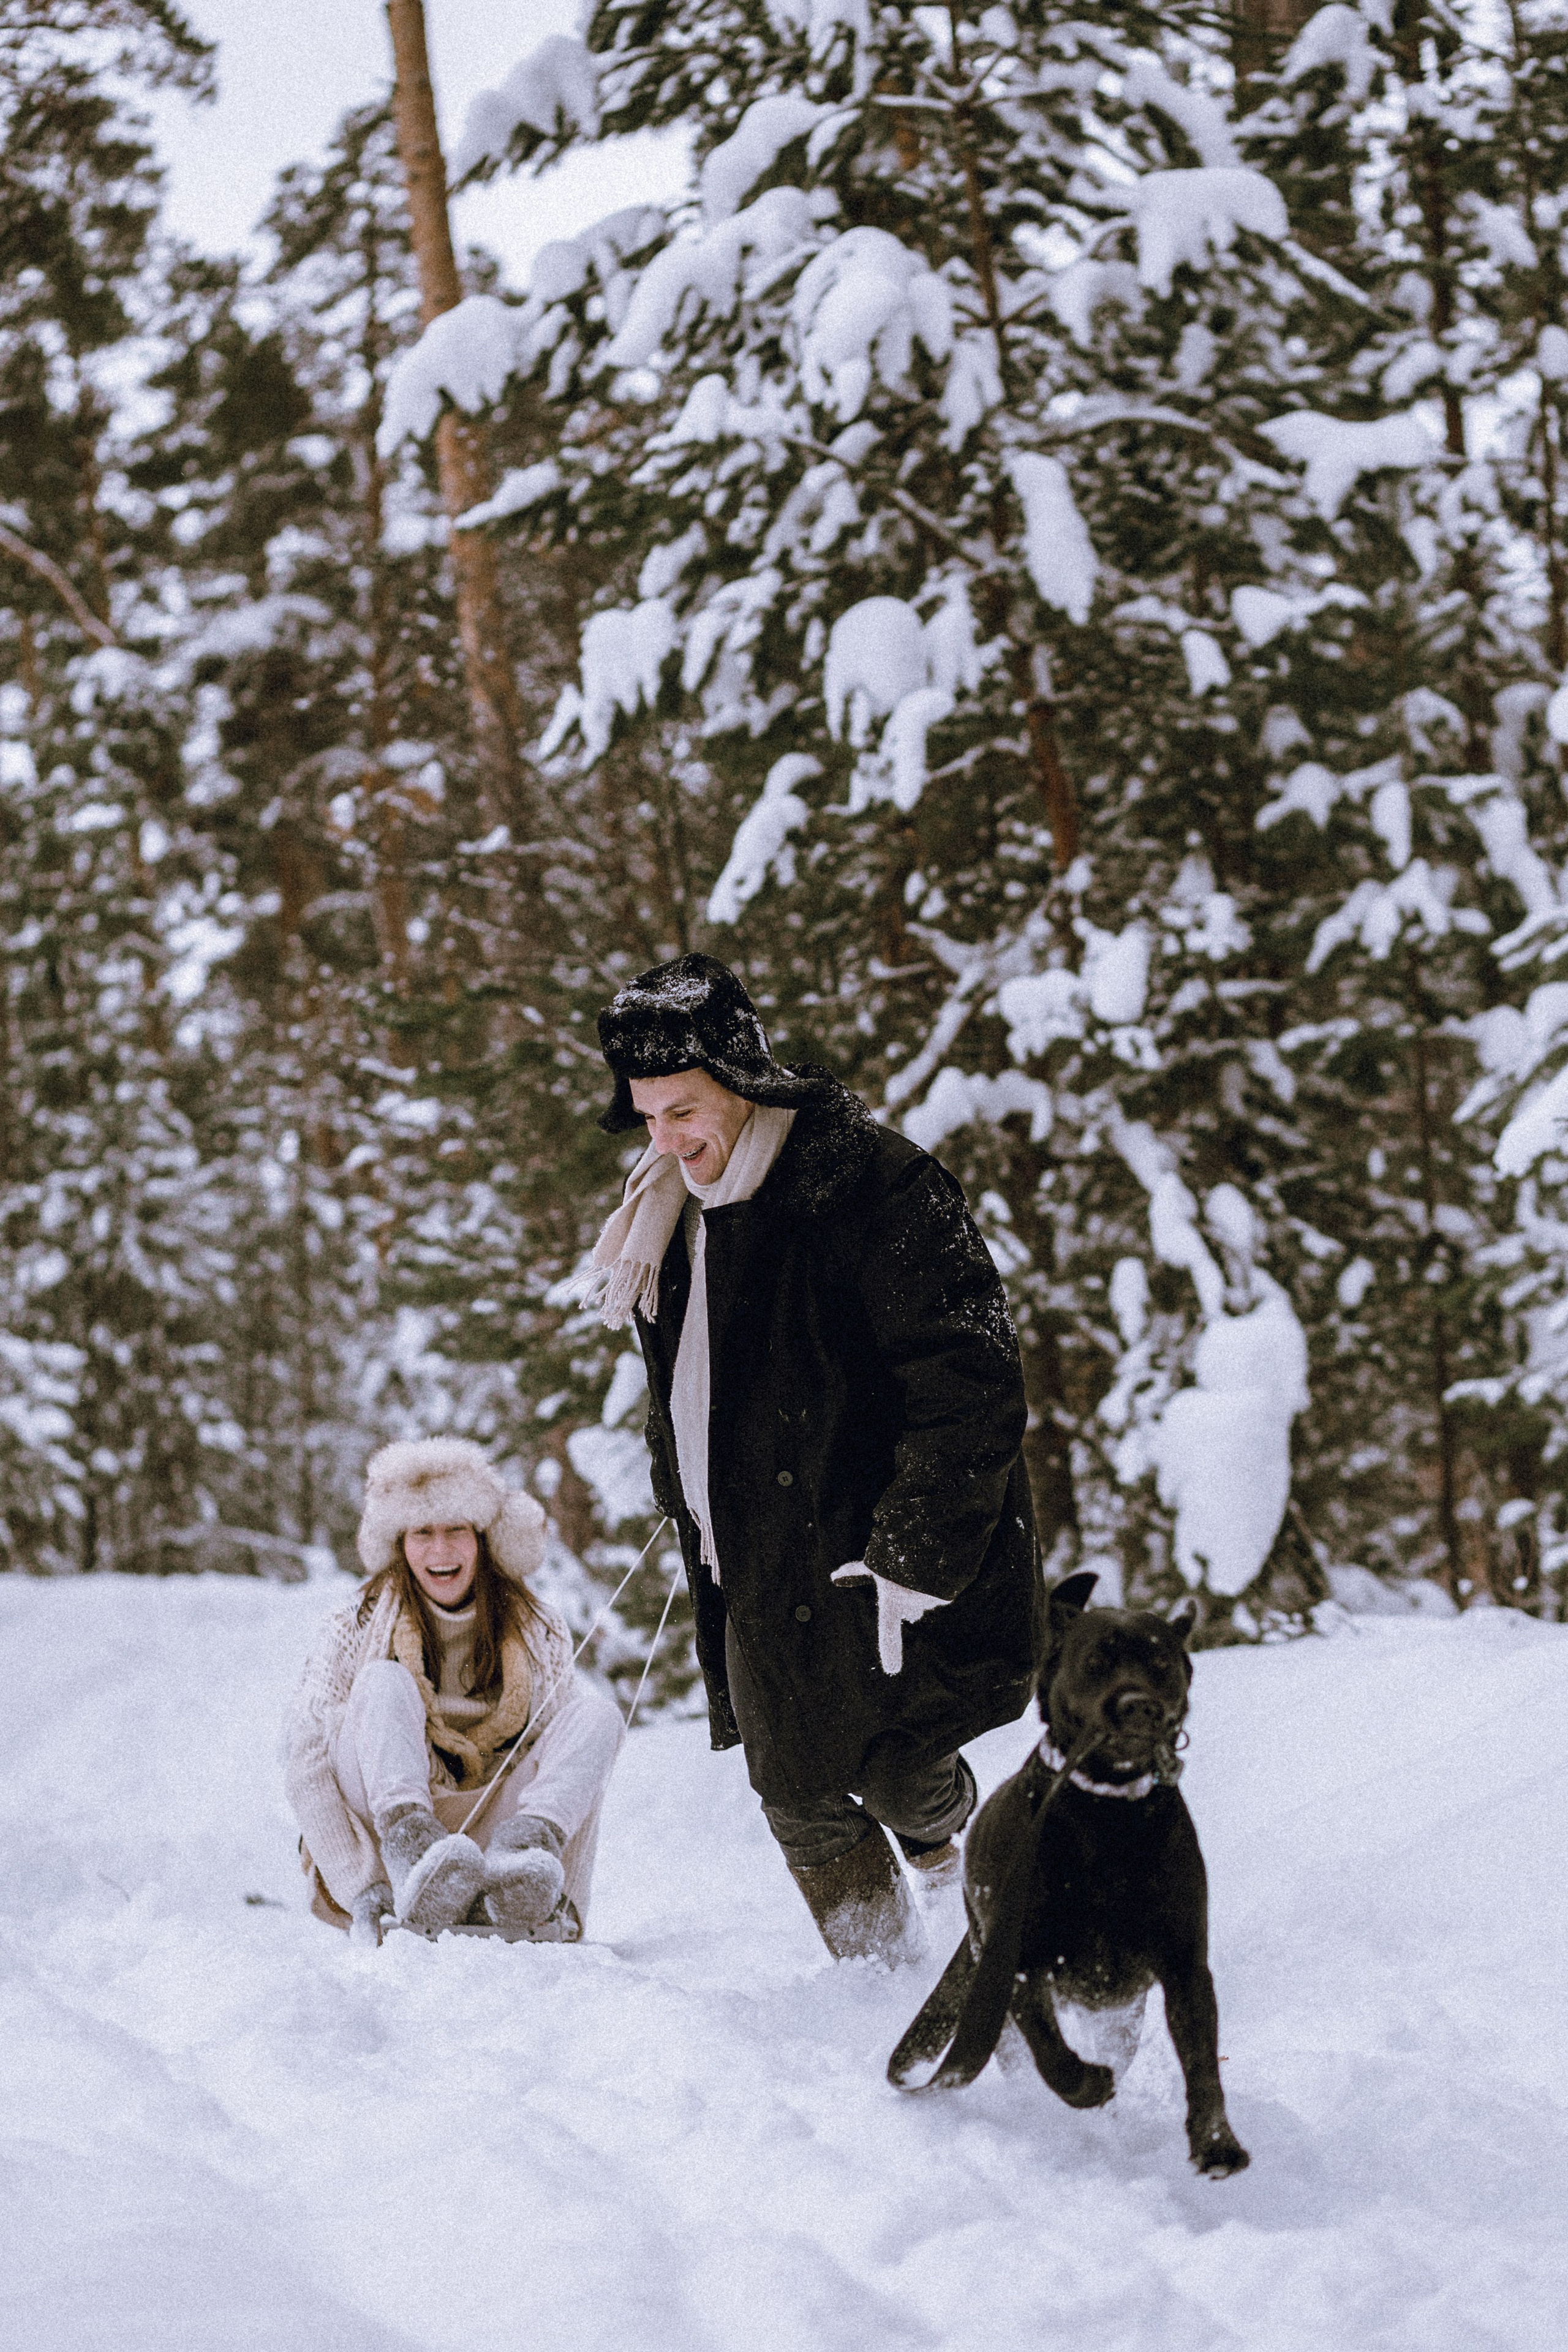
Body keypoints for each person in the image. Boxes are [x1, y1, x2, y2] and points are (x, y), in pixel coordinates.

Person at [587, 954, 1044, 1961]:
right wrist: (681, 1488)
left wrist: (916, 1546)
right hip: (755, 1552)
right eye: (647, 1115)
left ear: (744, 1082)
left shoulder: (878, 1185)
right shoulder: (666, 1210)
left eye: (684, 1110)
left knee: (900, 1772)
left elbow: (970, 1380)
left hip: (877, 1544)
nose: (666, 1141)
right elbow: (691, 1386)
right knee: (793, 1789)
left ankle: (978, 1877)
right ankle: (877, 1982)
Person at [285, 1438, 624, 1945]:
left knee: (597, 1717)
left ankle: (520, 1873)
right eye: (422, 1533)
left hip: (491, 1824)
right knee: (382, 1681)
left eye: (456, 1531)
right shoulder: (353, 1622)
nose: (440, 1552)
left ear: (483, 1539)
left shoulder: (541, 1627)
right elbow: (305, 1760)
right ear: (399, 1543)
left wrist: (567, 1902)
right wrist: (361, 1889)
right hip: (388, 1825)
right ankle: (416, 1855)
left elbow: (571, 1773)